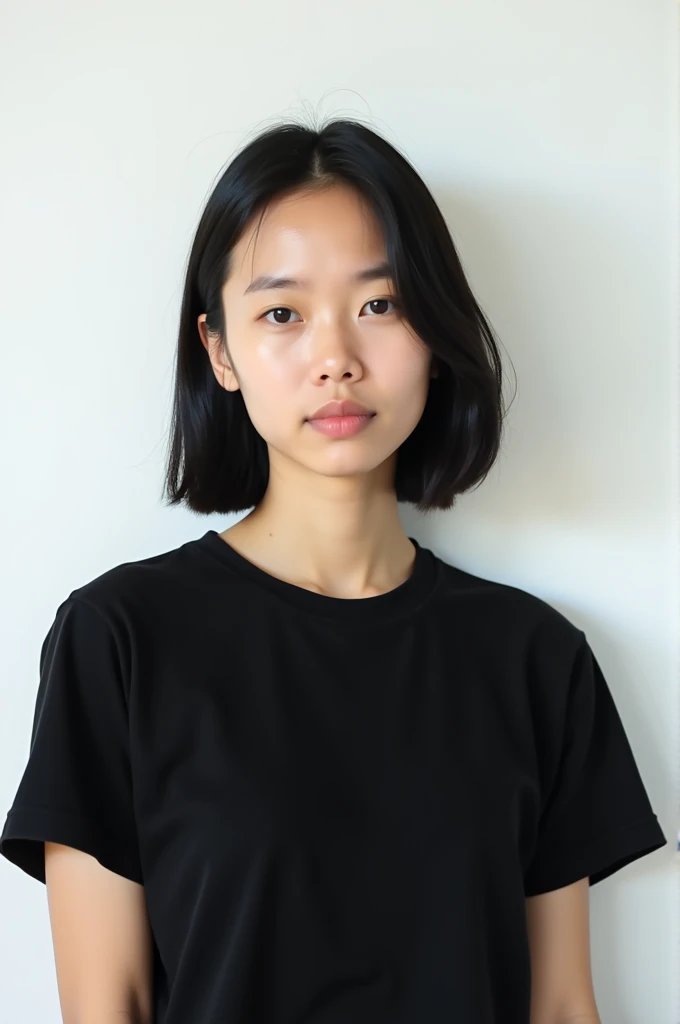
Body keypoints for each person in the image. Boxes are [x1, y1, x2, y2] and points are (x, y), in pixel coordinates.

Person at [0, 117, 667, 1024]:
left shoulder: (534, 659)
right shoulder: (120, 640)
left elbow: (560, 1007)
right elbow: (104, 1005)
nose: (336, 360)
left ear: (434, 333)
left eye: (380, 305)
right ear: (220, 352)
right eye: (282, 313)